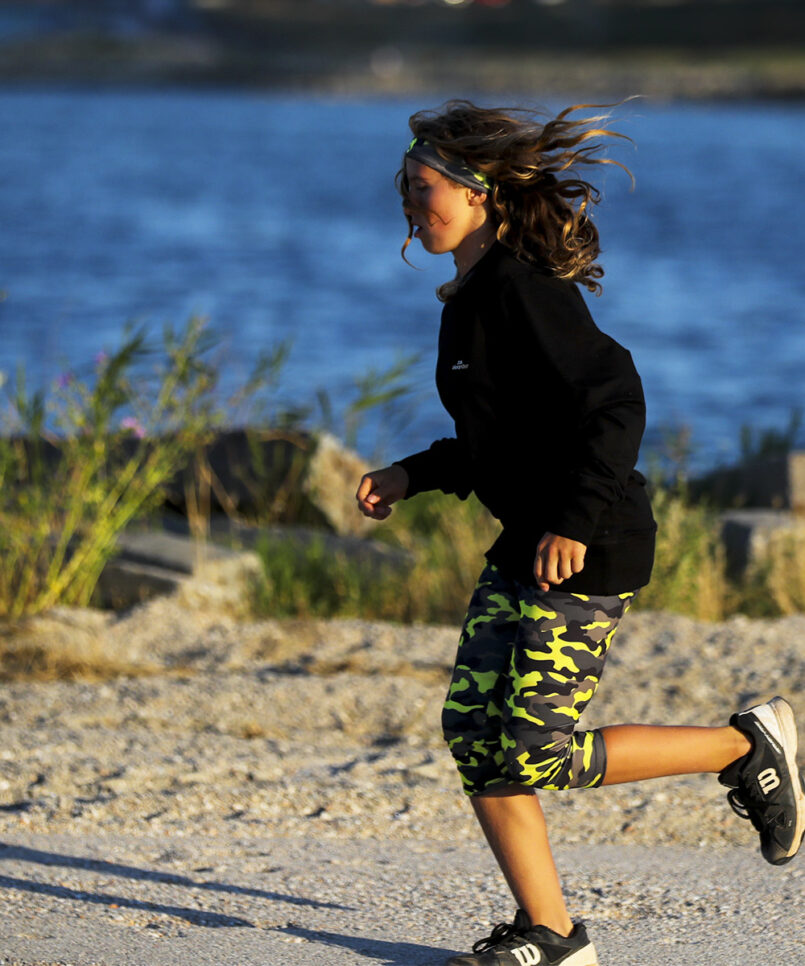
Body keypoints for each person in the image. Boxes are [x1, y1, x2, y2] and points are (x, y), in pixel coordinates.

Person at [355, 100, 805, 966]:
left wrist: (570, 517)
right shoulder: (468, 303)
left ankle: (744, 745)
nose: (411, 208)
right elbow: (499, 438)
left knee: (533, 749)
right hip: (527, 539)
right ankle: (551, 935)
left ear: (481, 194)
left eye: (423, 190)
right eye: (405, 192)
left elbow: (614, 398)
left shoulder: (523, 289)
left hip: (585, 544)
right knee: (474, 732)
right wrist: (416, 473)